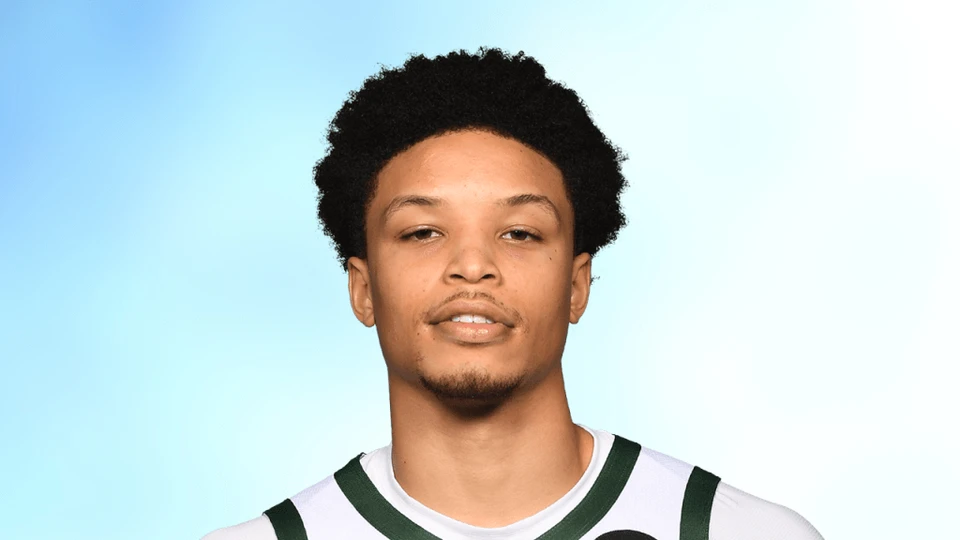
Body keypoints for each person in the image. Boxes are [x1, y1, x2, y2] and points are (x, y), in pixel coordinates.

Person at [202, 48, 823, 540]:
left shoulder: (741, 532)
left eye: (520, 233)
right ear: (363, 289)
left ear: (577, 285)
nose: (473, 266)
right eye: (422, 232)